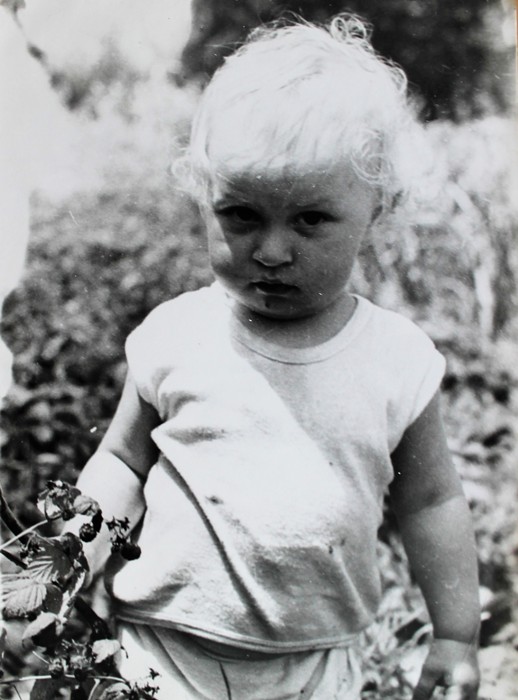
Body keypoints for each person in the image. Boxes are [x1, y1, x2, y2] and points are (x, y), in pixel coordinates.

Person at [72, 15, 481, 700]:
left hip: (314, 665)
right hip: (162, 651)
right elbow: (121, 463)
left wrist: (455, 634)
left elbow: (431, 500)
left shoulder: (395, 361)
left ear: (376, 207)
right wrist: (61, 565)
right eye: (240, 214)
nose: (270, 251)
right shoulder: (178, 335)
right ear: (204, 194)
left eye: (311, 219)